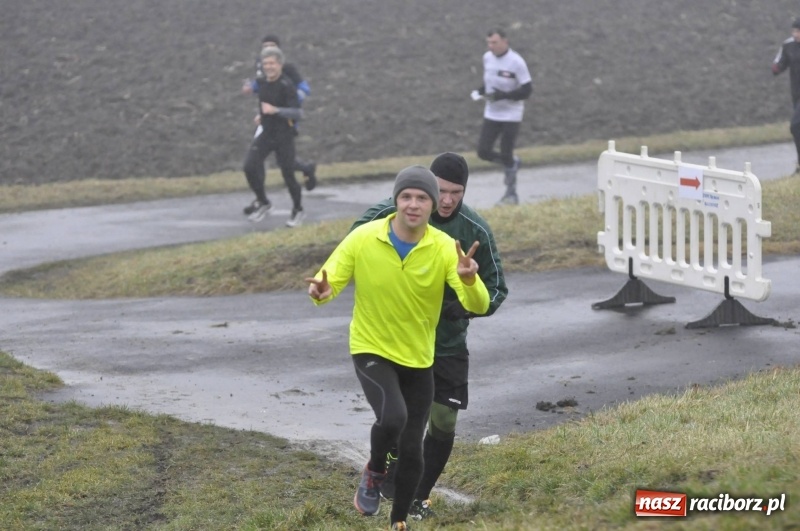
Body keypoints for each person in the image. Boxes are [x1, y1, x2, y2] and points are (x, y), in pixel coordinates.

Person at [306, 165, 490, 531]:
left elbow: (480, 304)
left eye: (422, 198)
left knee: (411, 449)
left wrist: (470, 280)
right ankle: (374, 470)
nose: (413, 204)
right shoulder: (364, 237)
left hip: (418, 358)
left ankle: (398, 521)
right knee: (393, 418)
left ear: (432, 205)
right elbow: (329, 280)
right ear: (396, 200)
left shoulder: (443, 247)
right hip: (371, 348)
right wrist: (322, 292)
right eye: (406, 196)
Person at [350, 152, 507, 521]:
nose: (448, 200)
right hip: (395, 342)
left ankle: (417, 497)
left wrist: (465, 307)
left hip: (447, 344)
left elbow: (497, 289)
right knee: (400, 420)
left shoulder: (475, 230)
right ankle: (383, 469)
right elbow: (353, 248)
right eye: (442, 190)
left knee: (444, 422)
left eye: (457, 192)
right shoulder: (391, 213)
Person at [242, 34, 316, 219]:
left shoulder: (287, 79)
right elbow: (262, 95)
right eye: (265, 61)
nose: (268, 65)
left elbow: (299, 104)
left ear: (279, 61)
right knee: (250, 165)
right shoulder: (261, 78)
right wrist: (261, 113)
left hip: (284, 130)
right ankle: (262, 201)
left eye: (272, 47)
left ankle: (298, 209)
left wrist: (278, 110)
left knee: (287, 172)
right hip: (267, 129)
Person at [472, 28, 532, 205]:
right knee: (483, 152)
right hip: (492, 113)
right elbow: (489, 80)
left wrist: (504, 96)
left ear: (505, 41)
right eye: (488, 43)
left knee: (506, 152)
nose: (491, 46)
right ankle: (512, 162)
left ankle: (511, 195)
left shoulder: (516, 62)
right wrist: (480, 91)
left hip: (511, 115)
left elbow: (527, 91)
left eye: (494, 42)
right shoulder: (487, 58)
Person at [772, 18, 800, 174]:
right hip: (796, 95)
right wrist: (777, 68)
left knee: (795, 125)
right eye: (794, 31)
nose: (795, 34)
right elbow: (780, 62)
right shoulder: (788, 45)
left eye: (798, 31)